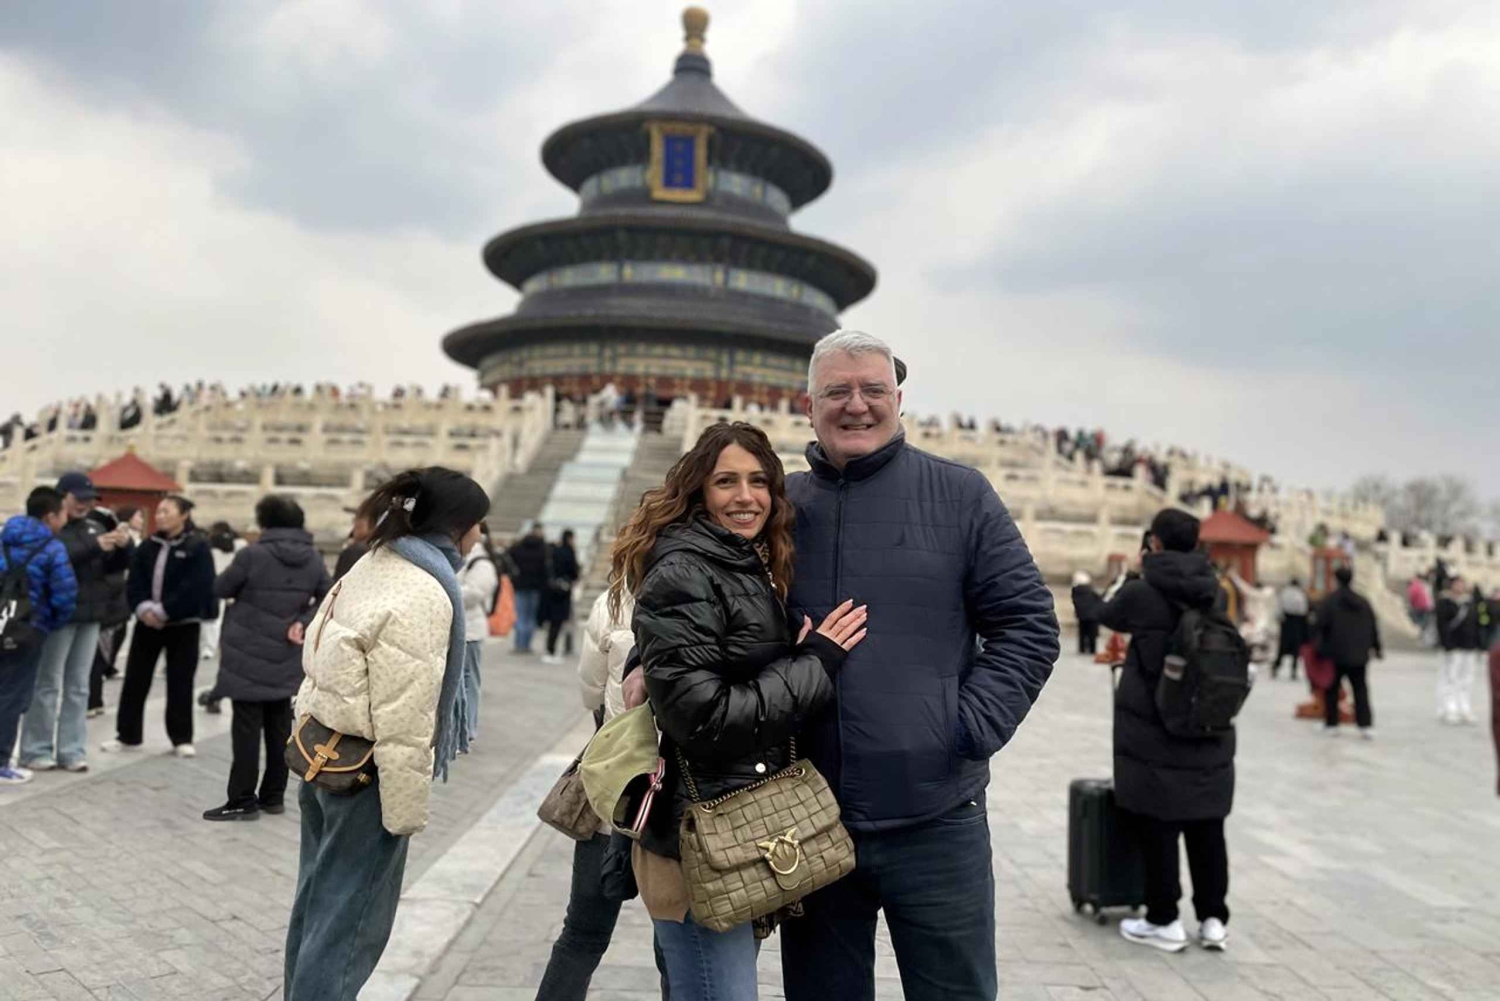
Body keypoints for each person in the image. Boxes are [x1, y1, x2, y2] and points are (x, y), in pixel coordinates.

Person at [776, 330, 1059, 1001]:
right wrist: (644, 657)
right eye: (837, 392)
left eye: (873, 390)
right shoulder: (778, 506)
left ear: (898, 400)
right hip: (810, 814)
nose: (857, 405)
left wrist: (963, 728)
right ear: (808, 406)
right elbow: (702, 593)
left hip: (936, 816)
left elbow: (1028, 623)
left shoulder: (960, 496)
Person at [614, 421, 866, 1001]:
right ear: (699, 491)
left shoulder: (742, 562)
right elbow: (704, 718)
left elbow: (701, 653)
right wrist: (817, 661)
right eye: (726, 481)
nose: (745, 497)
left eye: (758, 482)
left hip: (735, 829)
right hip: (700, 839)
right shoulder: (687, 569)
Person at [283, 466, 489, 1000]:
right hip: (366, 776)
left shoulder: (372, 563)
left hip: (324, 756)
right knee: (350, 925)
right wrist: (403, 811)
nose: (480, 536)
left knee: (317, 903)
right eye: (477, 524)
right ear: (457, 526)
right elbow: (404, 717)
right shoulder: (425, 591)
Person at [1072, 508, 1234, 954]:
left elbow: (1099, 612)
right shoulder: (1215, 592)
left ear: (1155, 543)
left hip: (1156, 729)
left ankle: (1164, 919)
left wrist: (1082, 587)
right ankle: (1213, 920)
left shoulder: (1142, 593)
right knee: (1207, 828)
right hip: (1208, 725)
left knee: (1160, 824)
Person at [533, 585, 670, 1001]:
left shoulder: (612, 601)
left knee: (583, 933)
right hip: (677, 799)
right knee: (675, 947)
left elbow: (590, 694)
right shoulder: (711, 588)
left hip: (615, 793)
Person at [203, 496, 331, 821]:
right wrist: (302, 621)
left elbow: (221, 588)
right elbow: (329, 597)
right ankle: (273, 796)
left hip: (247, 651)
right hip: (287, 653)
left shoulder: (252, 554)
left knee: (246, 730)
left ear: (265, 521)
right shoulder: (314, 558)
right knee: (279, 728)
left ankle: (242, 800)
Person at [20, 472, 133, 774]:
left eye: (89, 500)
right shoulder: (49, 528)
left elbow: (112, 567)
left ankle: (71, 750)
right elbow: (55, 558)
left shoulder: (95, 525)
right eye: (79, 499)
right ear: (62, 497)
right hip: (58, 616)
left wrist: (123, 547)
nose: (85, 505)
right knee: (47, 684)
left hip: (91, 616)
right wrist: (96, 546)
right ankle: (35, 749)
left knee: (79, 686)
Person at [101, 495, 218, 757]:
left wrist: (166, 610)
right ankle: (127, 735)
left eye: (167, 511)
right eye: (159, 512)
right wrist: (143, 608)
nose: (160, 516)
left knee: (180, 681)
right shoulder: (148, 545)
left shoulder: (197, 546)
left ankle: (181, 738)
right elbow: (135, 580)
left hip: (183, 624)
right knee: (135, 679)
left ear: (183, 515)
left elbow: (198, 586)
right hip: (147, 622)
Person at [0, 488, 78, 785]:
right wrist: (48, 623)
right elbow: (64, 595)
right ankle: (1, 761)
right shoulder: (52, 548)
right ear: (50, 517)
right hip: (26, 629)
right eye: (63, 513)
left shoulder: (4, 537)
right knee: (12, 695)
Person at [1314, 566, 1381, 738]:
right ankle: (1365, 724)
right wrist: (1376, 647)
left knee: (1332, 689)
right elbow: (1373, 626)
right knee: (1360, 689)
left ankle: (1332, 723)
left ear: (1336, 579)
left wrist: (1318, 649)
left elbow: (1319, 626)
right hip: (1358, 654)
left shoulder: (1329, 601)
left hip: (1335, 653)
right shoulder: (1363, 602)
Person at [457, 524, 499, 738]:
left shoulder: (481, 562)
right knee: (460, 682)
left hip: (471, 631)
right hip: (460, 629)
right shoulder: (461, 556)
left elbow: (475, 593)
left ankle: (467, 728)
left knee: (468, 681)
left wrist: (446, 588)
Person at [1436, 577, 1483, 725]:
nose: (1460, 587)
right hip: (1453, 646)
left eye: (1462, 584)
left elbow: (1476, 623)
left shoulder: (1470, 602)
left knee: (1467, 678)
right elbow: (1441, 625)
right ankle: (1449, 707)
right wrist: (1447, 644)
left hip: (1469, 645)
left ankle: (1464, 707)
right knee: (1451, 677)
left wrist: (1479, 644)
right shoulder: (1445, 602)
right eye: (1457, 584)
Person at [200, 521, 241, 661]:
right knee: (218, 619)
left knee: (208, 619)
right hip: (226, 584)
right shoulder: (233, 546)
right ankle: (212, 647)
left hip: (209, 584)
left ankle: (206, 647)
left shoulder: (209, 547)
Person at [508, 523, 549, 654]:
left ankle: (518, 643)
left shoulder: (519, 546)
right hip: (535, 587)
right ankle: (526, 644)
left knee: (520, 615)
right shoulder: (542, 548)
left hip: (520, 585)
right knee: (531, 617)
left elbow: (508, 556)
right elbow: (545, 569)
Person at [541, 528, 579, 664]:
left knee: (554, 623)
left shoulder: (554, 551)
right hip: (563, 592)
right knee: (559, 622)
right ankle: (553, 650)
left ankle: (550, 649)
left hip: (552, 592)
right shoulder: (569, 552)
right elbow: (574, 572)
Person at [1272, 577, 1310, 680]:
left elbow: (1278, 608)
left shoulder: (1284, 593)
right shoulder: (1300, 594)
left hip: (1286, 621)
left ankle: (1276, 666)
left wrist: (1280, 619)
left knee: (1282, 646)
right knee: (1296, 647)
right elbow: (1304, 610)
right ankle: (1293, 669)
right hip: (1297, 622)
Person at [332, 510, 373, 583]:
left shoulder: (354, 551)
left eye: (358, 518)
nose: (355, 523)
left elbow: (340, 584)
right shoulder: (380, 549)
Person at [1073, 571, 1100, 656]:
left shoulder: (1075, 591)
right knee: (1092, 634)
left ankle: (1082, 649)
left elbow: (1075, 602)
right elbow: (1098, 599)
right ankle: (1092, 649)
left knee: (1082, 633)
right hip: (1093, 615)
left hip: (1082, 615)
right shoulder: (1091, 590)